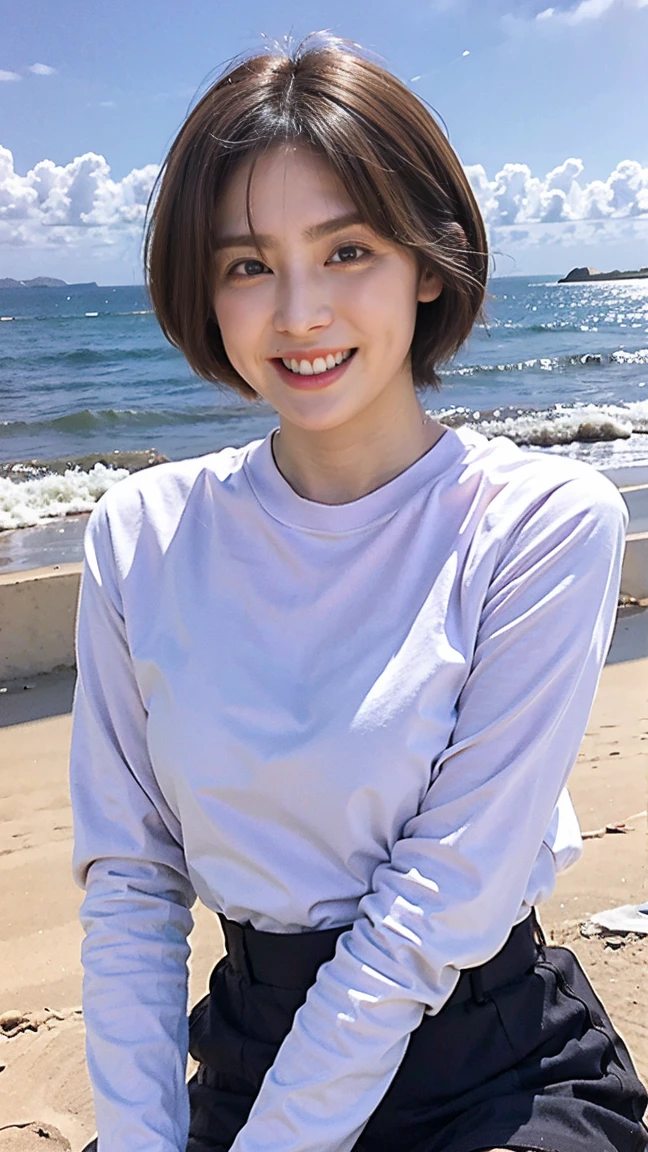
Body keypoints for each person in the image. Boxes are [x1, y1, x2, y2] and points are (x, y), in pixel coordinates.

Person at [69, 33, 648, 1152]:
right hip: (241, 1053)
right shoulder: (139, 534)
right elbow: (133, 881)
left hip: (488, 1067)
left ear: (427, 262)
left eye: (348, 251)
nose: (299, 313)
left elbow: (437, 905)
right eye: (248, 264)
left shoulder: (540, 523)